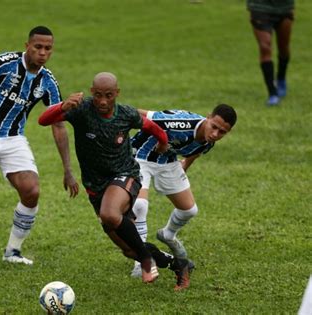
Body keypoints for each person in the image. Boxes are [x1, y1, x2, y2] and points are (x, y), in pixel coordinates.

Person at [0, 26, 79, 265]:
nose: (42, 52)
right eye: (37, 47)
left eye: (47, 49)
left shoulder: (47, 81)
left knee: (32, 191)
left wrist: (68, 170)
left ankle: (13, 252)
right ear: (27, 45)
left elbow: (58, 125)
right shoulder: (5, 62)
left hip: (13, 140)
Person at [38, 72, 170, 283]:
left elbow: (152, 127)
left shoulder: (125, 113)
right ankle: (174, 263)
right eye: (98, 95)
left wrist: (162, 143)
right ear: (92, 92)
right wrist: (63, 106)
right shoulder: (81, 110)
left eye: (108, 95)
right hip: (95, 186)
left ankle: (146, 260)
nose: (102, 101)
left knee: (109, 214)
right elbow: (43, 120)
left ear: (116, 93)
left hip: (125, 175)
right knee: (128, 248)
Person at [130, 105, 237, 290]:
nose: (215, 134)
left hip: (168, 162)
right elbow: (142, 114)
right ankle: (141, 262)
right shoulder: (182, 122)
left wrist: (183, 168)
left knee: (189, 210)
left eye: (222, 132)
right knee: (139, 205)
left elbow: (193, 153)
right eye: (214, 126)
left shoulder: (209, 141)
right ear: (208, 116)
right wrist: (113, 112)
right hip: (139, 156)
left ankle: (167, 234)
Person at [247, 0, 295, 106]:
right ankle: (272, 93)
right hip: (259, 6)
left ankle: (281, 78)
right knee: (265, 47)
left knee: (283, 47)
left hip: (284, 6)